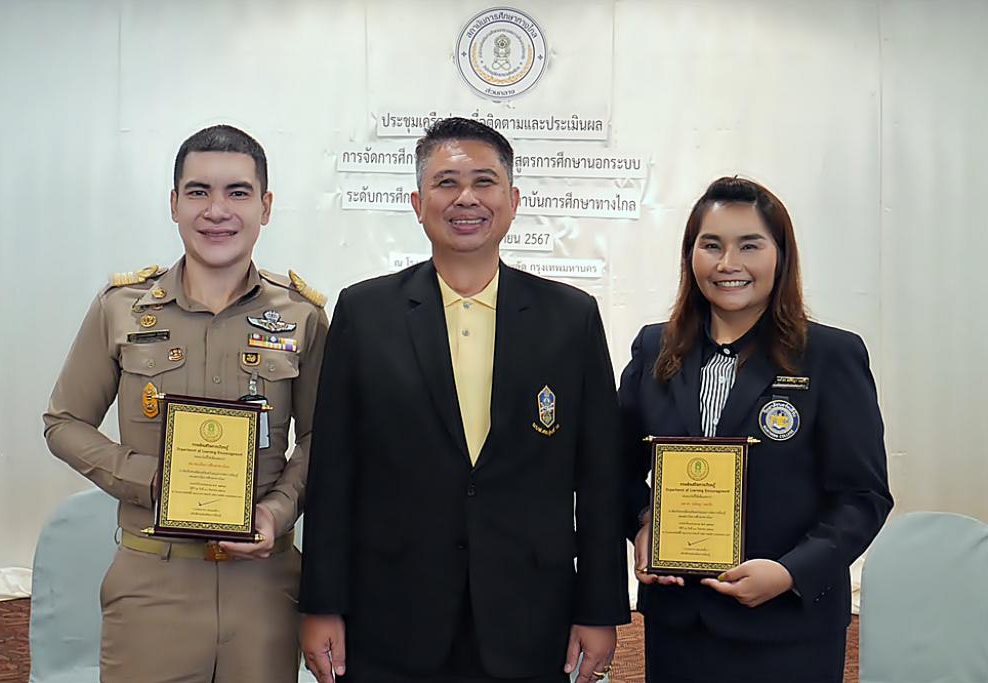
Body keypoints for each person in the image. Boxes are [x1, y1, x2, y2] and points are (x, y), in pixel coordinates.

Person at [298, 117, 629, 683]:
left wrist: (600, 608)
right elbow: (334, 472)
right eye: (446, 183)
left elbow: (599, 477)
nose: (467, 198)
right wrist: (321, 602)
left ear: (514, 199)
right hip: (391, 612)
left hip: (529, 614)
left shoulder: (570, 318)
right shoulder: (365, 313)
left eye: (485, 181)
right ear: (417, 202)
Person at [43, 124, 328, 682]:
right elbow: (64, 422)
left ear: (265, 206)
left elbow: (324, 437)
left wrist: (277, 510)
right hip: (153, 581)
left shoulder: (302, 316)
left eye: (238, 192)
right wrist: (155, 480)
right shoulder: (122, 308)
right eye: (198, 191)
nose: (216, 210)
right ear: (173, 204)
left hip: (264, 585)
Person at [619, 176, 893, 683]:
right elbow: (613, 467)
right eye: (711, 245)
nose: (729, 264)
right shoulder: (655, 349)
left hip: (788, 629)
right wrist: (641, 522)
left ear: (780, 256)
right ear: (690, 255)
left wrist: (791, 572)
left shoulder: (830, 356)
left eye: (750, 245)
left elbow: (863, 496)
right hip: (679, 625)